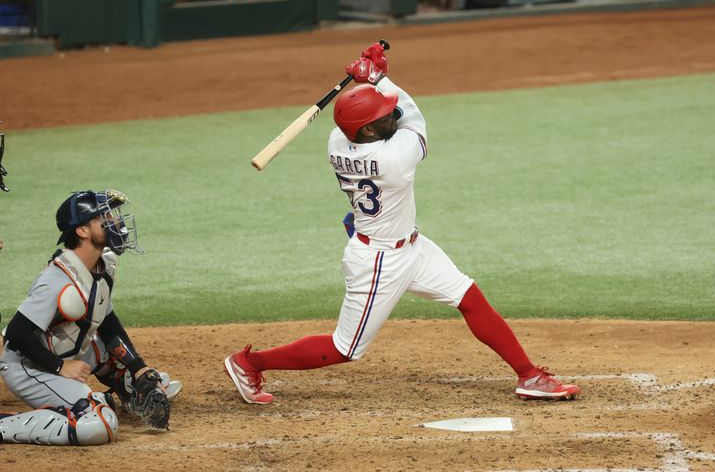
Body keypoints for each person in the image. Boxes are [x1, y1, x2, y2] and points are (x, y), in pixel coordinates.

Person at [224, 43, 581, 405]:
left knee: (469, 297)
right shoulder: (394, 159)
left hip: (409, 246)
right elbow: (414, 116)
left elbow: (384, 111)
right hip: (380, 261)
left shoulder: (338, 139)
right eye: (383, 117)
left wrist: (373, 84)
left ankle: (529, 376)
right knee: (344, 348)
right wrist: (378, 76)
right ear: (366, 132)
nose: (391, 116)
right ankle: (249, 362)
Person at [0, 189, 181, 445]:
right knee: (99, 424)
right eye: (104, 217)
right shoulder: (57, 281)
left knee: (130, 366)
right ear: (82, 231)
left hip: (65, 350)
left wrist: (137, 368)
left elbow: (107, 323)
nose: (115, 221)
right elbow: (17, 334)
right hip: (29, 365)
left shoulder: (102, 265)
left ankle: (127, 386)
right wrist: (60, 367)